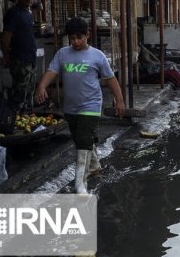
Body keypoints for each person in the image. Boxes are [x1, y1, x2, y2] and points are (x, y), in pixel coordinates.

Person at [35, 17, 125, 194]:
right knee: (81, 139)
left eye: (79, 37)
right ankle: (94, 165)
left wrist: (119, 100)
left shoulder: (97, 56)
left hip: (91, 106)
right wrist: (42, 86)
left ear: (87, 35)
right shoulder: (62, 54)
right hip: (70, 108)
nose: (75, 42)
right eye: (72, 38)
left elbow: (111, 79)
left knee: (83, 141)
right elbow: (52, 71)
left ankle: (80, 182)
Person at [1, 0, 37, 110]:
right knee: (19, 93)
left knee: (29, 92)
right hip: (19, 59)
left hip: (30, 58)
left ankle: (27, 119)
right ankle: (15, 119)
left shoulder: (27, 13)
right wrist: (6, 56)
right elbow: (6, 37)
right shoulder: (14, 13)